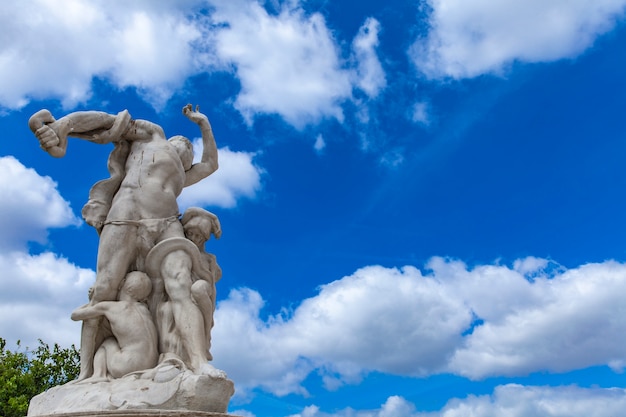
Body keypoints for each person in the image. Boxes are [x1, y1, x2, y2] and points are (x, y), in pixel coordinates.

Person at [29, 104, 218, 380]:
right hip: (127, 216)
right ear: (172, 142)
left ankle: (199, 363)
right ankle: (85, 374)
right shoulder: (154, 136)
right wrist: (64, 126)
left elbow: (211, 164)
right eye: (184, 143)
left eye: (191, 150)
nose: (188, 147)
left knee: (182, 285)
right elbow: (108, 123)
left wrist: (203, 124)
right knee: (104, 290)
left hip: (167, 224)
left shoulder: (184, 175)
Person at [71, 271, 158, 382]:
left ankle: (98, 375)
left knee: (108, 342)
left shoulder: (110, 307)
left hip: (127, 366)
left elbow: (75, 315)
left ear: (122, 283)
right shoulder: (144, 309)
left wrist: (92, 301)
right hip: (151, 364)